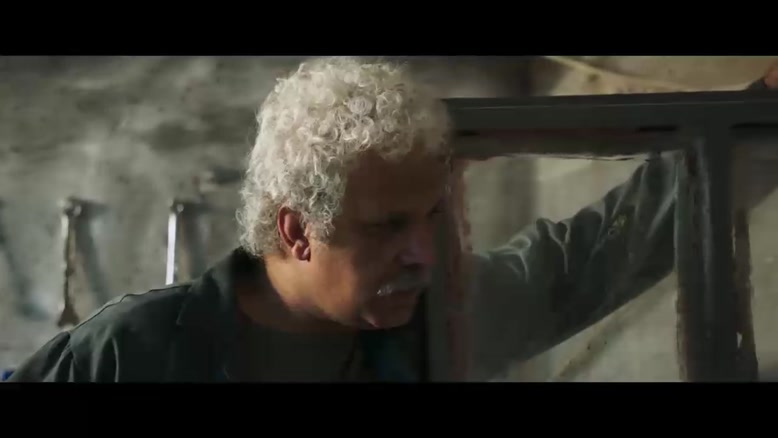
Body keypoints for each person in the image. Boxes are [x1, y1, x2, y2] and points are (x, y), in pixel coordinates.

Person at [7, 57, 777, 382]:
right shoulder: (130, 351)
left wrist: (756, 121)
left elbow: (597, 252)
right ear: (295, 231)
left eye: (434, 217)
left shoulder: (443, 319)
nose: (424, 254)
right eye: (385, 227)